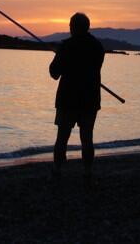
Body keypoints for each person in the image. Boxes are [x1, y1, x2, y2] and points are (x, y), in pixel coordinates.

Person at [49, 12, 105, 180]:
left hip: (68, 99)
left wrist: (58, 54)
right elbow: (94, 68)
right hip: (90, 99)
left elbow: (54, 73)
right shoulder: (97, 47)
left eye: (70, 26)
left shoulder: (66, 46)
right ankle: (87, 172)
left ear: (74, 27)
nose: (69, 28)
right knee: (87, 138)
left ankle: (57, 170)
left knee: (62, 137)